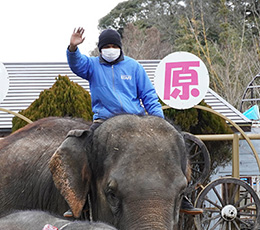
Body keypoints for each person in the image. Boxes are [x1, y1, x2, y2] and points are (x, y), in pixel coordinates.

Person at [66, 27, 202, 215]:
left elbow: (148, 96)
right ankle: (83, 198)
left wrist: (159, 124)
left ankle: (182, 194)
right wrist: (73, 48)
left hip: (136, 122)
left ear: (121, 47)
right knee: (85, 151)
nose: (110, 49)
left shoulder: (134, 67)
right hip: (103, 122)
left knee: (171, 147)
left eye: (114, 45)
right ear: (100, 49)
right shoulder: (92, 66)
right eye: (107, 46)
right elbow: (76, 65)